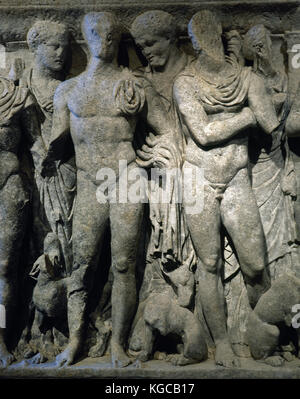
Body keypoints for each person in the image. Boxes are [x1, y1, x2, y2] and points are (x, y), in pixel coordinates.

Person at [42, 11, 174, 367]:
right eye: (96, 33)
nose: (105, 39)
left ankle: (117, 343)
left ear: (118, 40)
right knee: (81, 264)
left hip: (127, 177)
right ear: (85, 38)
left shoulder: (133, 85)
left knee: (124, 264)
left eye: (111, 34)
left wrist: (156, 155)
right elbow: (56, 144)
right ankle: (74, 342)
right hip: (88, 181)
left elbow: (166, 129)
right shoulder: (67, 90)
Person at [172, 10, 279, 367]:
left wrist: (268, 82)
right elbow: (203, 134)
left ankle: (264, 335)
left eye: (207, 35)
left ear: (216, 37)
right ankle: (223, 344)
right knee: (210, 262)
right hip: (198, 176)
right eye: (197, 38)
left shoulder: (247, 78)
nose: (203, 43)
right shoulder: (185, 82)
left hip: (235, 175)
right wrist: (247, 116)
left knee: (254, 264)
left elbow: (271, 122)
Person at [22, 20, 76, 274]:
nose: (61, 54)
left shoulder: (67, 88)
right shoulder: (22, 84)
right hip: (33, 173)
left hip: (65, 170)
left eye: (64, 48)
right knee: (41, 231)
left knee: (67, 230)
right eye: (54, 47)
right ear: (35, 46)